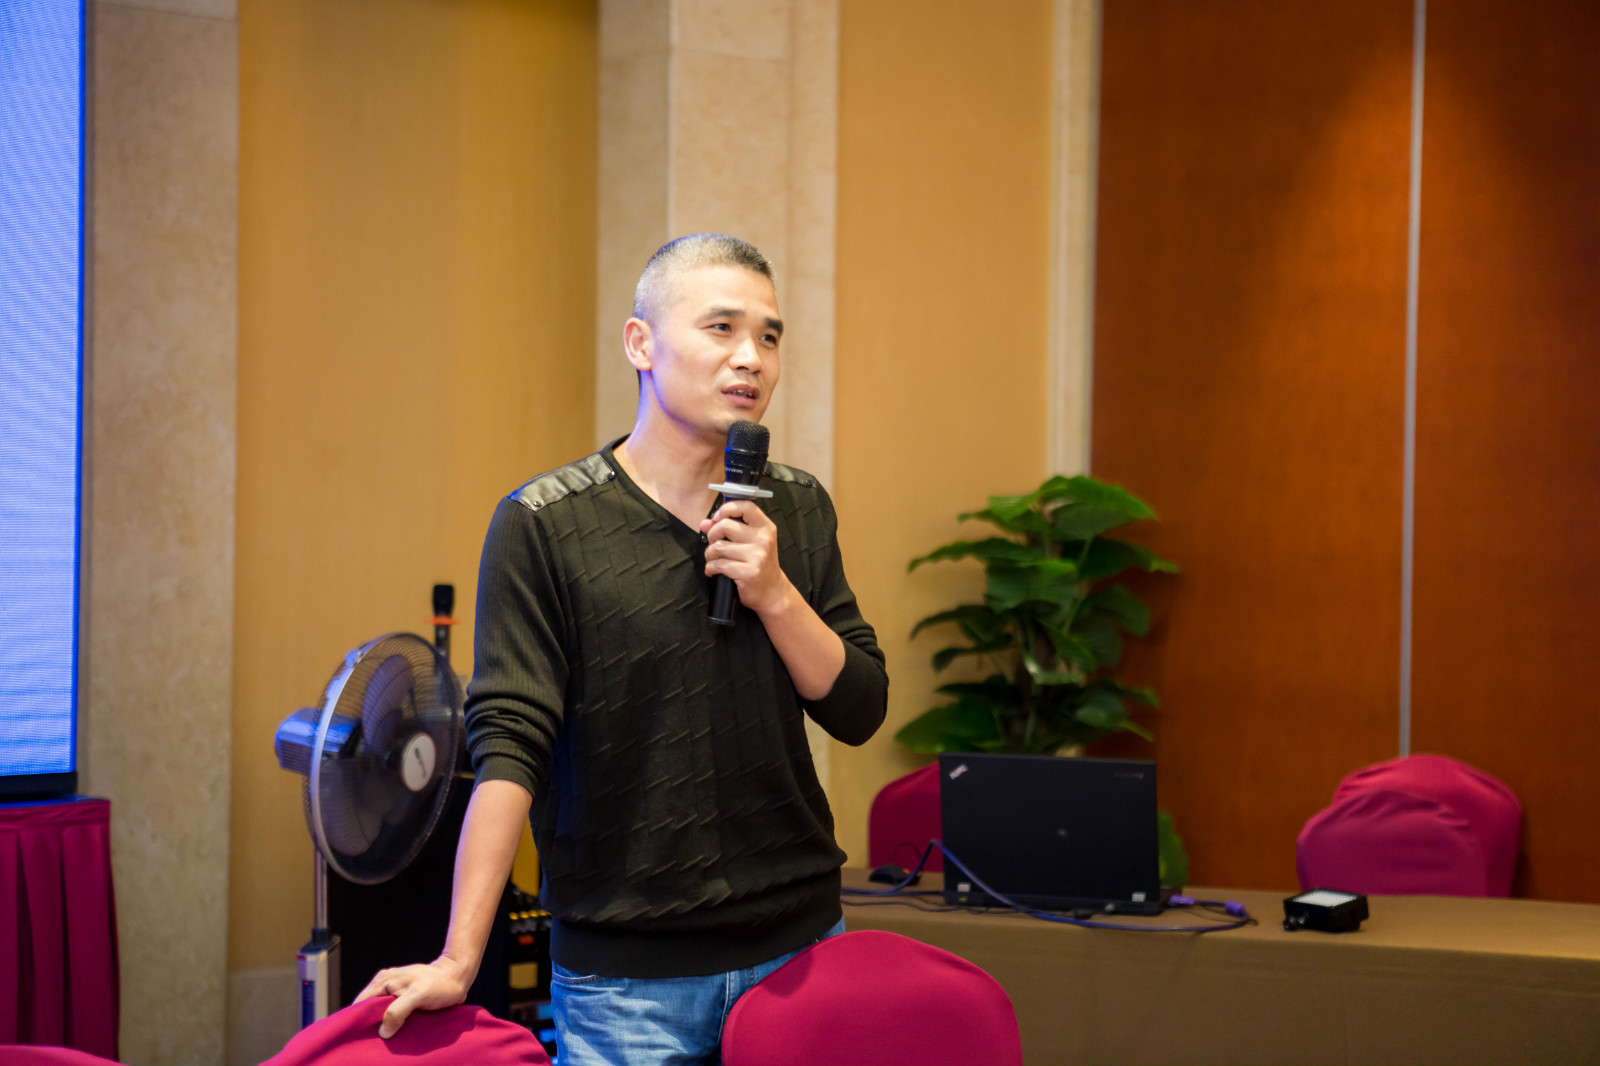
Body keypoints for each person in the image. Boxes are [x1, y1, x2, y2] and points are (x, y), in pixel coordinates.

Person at [355, 233, 888, 1065]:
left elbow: (859, 708)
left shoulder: (797, 506)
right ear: (642, 343)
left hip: (800, 949)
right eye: (722, 328)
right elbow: (510, 748)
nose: (751, 357)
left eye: (770, 336)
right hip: (628, 985)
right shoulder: (544, 525)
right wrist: (460, 958)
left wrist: (776, 595)